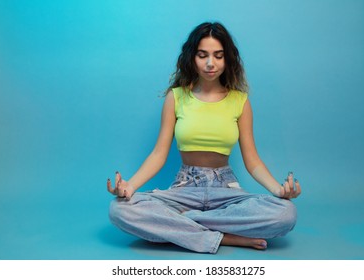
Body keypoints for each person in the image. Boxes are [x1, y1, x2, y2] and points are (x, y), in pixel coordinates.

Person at [107, 22, 301, 254]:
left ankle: (181, 224)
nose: (211, 63)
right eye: (203, 55)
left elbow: (253, 161)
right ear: (192, 58)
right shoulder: (176, 97)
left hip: (226, 192)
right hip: (183, 189)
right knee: (120, 210)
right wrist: (130, 187)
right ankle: (224, 237)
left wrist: (278, 191)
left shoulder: (240, 101)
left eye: (218, 56)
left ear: (227, 59)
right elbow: (159, 154)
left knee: (285, 214)